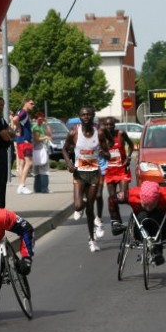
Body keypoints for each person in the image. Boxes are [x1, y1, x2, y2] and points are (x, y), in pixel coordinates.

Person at [108, 181, 166, 265]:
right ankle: (149, 243)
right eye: (145, 205)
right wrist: (116, 222)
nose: (148, 208)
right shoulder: (131, 194)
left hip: (161, 227)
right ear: (140, 198)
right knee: (143, 215)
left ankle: (157, 251)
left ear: (158, 198)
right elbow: (111, 199)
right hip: (139, 227)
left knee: (155, 215)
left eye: (152, 205)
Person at [62, 105, 110, 252]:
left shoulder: (99, 133)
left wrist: (103, 153)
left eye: (89, 114)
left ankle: (92, 239)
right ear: (79, 117)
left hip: (94, 174)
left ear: (93, 115)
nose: (86, 117)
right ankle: (80, 207)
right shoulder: (74, 133)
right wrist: (69, 163)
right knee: (77, 206)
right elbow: (64, 149)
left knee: (90, 208)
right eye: (83, 115)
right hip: (79, 173)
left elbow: (108, 153)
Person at [13, 98, 36, 194]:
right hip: (25, 141)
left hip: (20, 141)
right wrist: (18, 126)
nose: (33, 105)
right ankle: (22, 185)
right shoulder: (23, 112)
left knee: (22, 163)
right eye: (31, 103)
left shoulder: (20, 112)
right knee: (29, 162)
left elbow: (15, 119)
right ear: (26, 103)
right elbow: (14, 119)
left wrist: (18, 127)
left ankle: (20, 185)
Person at [31, 113, 52, 193]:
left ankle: (38, 188)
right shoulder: (36, 127)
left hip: (39, 149)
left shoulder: (41, 126)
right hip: (39, 149)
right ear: (36, 119)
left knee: (38, 170)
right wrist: (46, 137)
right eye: (39, 119)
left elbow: (50, 133)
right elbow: (37, 138)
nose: (41, 121)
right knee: (43, 169)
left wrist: (47, 124)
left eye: (42, 119)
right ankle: (44, 188)